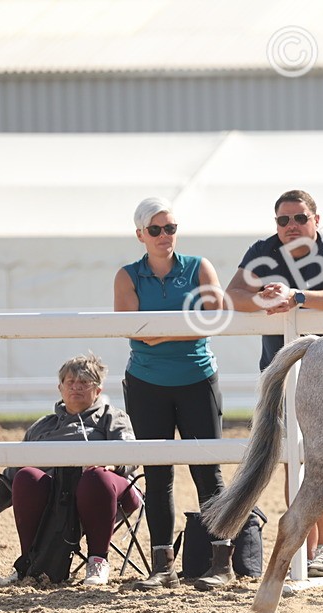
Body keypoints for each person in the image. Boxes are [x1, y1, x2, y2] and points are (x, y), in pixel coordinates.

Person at [224, 189, 323, 579]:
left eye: (299, 218)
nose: (291, 226)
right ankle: (305, 545)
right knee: (292, 461)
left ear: (316, 220)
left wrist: (298, 297)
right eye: (283, 220)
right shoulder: (263, 250)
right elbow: (233, 295)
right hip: (280, 371)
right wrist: (266, 299)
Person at [114, 197, 226, 590]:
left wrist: (156, 333)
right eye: (157, 230)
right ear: (140, 234)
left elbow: (213, 317)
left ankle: (222, 563)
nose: (166, 236)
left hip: (197, 378)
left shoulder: (199, 266)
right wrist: (184, 326)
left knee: (207, 470)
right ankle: (163, 566)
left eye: (172, 228)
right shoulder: (127, 275)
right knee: (157, 474)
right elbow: (131, 328)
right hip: (146, 384)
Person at [0, 354, 138, 586]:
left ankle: (98, 561)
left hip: (105, 491)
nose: (76, 387)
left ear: (98, 390)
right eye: (70, 382)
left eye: (84, 382)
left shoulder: (112, 417)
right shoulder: (42, 427)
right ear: (60, 388)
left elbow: (132, 456)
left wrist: (112, 463)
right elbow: (9, 477)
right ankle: (31, 562)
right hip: (58, 500)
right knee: (26, 476)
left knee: (96, 476)